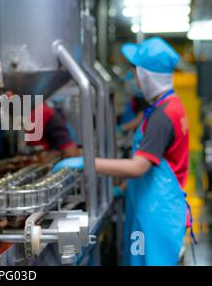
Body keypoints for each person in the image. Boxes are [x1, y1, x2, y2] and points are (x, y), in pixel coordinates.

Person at [52, 37, 193, 265]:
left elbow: (139, 166)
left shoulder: (162, 116)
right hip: (156, 205)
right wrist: (123, 189)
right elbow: (158, 163)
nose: (135, 80)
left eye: (136, 73)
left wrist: (86, 162)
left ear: (147, 75)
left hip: (155, 215)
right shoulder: (171, 106)